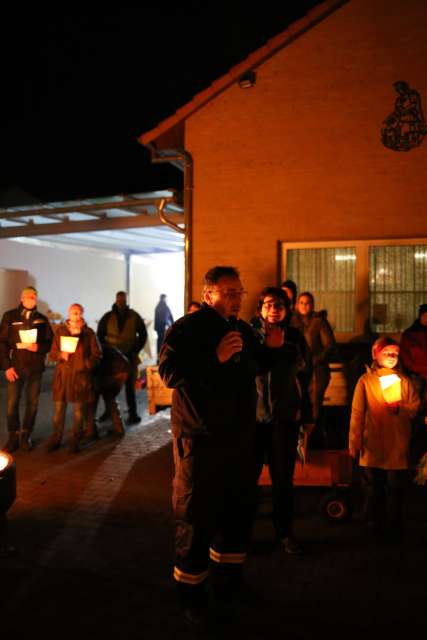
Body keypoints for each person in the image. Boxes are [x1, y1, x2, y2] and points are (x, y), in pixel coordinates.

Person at [158, 265, 284, 626]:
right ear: (209, 293)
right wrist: (214, 358)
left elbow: (254, 368)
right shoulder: (187, 329)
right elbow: (169, 374)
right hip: (200, 439)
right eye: (229, 292)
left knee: (237, 511)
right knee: (196, 515)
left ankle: (229, 580)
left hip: (239, 440)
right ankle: (191, 592)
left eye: (239, 293)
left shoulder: (242, 329)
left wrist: (271, 352)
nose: (236, 299)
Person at [252, 287, 313, 555]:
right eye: (268, 304)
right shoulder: (249, 335)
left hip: (284, 418)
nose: (274, 309)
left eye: (280, 304)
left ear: (287, 310)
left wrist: (307, 414)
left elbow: (306, 376)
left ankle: (284, 534)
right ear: (260, 309)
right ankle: (240, 534)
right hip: (252, 418)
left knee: (283, 480)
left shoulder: (295, 338)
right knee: (245, 479)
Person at [348, 337, 420, 542]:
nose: (391, 356)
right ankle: (374, 525)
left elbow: (414, 407)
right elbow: (357, 413)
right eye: (387, 352)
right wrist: (354, 440)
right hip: (372, 442)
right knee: (373, 487)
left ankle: (395, 525)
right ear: (375, 354)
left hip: (397, 442)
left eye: (395, 354)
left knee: (395, 487)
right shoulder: (365, 380)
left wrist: (400, 409)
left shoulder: (404, 381)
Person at [0, 286, 53, 452]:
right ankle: (13, 436)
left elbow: (49, 342)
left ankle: (26, 435)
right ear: (21, 298)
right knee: (12, 403)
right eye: (29, 296)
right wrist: (7, 367)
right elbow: (1, 343)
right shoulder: (10, 317)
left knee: (33, 404)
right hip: (16, 367)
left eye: (34, 297)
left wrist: (39, 347)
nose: (32, 299)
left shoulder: (42, 319)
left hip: (35, 369)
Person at [47, 304, 101, 453]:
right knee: (59, 410)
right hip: (62, 377)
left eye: (78, 313)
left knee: (78, 412)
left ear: (82, 314)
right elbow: (52, 353)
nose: (76, 316)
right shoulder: (60, 332)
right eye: (73, 313)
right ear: (69, 314)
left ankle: (75, 440)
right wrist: (60, 355)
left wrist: (85, 364)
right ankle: (56, 438)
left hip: (80, 378)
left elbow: (97, 355)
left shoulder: (88, 333)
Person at [291, 291, 337, 444]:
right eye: (302, 302)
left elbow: (329, 345)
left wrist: (315, 360)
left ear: (312, 305)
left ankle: (313, 440)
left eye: (308, 302)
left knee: (314, 404)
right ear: (297, 305)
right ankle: (298, 441)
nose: (304, 306)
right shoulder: (292, 322)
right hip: (297, 370)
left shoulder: (319, 322)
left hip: (316, 370)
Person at [97, 291, 147, 425]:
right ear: (116, 300)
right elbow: (100, 335)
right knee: (109, 387)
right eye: (119, 300)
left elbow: (143, 334)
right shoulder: (108, 317)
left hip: (130, 357)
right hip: (112, 360)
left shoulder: (134, 316)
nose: (121, 303)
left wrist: (135, 350)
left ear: (126, 301)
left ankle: (133, 413)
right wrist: (106, 351)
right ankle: (109, 412)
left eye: (123, 300)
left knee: (130, 387)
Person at [85, 345, 130, 441]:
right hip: (123, 368)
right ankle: (119, 428)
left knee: (92, 401)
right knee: (110, 398)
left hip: (111, 371)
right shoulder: (101, 345)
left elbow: (93, 368)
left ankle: (91, 432)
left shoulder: (91, 348)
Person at [154, 293, 174, 359]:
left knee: (161, 342)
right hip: (163, 328)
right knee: (163, 343)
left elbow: (170, 317)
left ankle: (160, 357)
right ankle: (161, 357)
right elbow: (170, 318)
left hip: (162, 328)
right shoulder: (163, 307)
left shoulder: (159, 307)